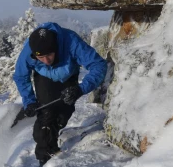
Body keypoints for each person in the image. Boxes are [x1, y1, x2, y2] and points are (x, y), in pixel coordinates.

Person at [13, 22, 107, 166]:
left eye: (49, 55)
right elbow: (20, 76)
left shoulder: (71, 42)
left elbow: (98, 65)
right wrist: (29, 101)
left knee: (61, 116)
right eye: (41, 57)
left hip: (68, 76)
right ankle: (45, 157)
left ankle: (52, 140)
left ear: (56, 47)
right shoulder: (29, 51)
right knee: (46, 119)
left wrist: (80, 89)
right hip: (44, 78)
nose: (46, 60)